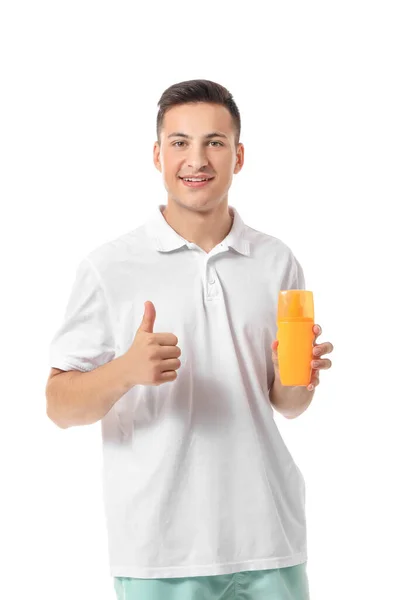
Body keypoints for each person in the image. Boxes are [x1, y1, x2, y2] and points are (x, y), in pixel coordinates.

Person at [46, 79, 334, 600]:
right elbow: (58, 405)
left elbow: (287, 405)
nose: (196, 159)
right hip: (160, 553)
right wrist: (125, 371)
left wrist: (302, 380)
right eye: (179, 142)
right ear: (157, 155)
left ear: (238, 155)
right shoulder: (110, 266)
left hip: (271, 538)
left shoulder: (277, 261)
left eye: (214, 142)